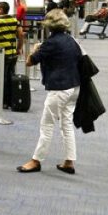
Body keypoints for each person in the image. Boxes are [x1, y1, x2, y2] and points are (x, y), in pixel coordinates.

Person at [18, 9, 81, 174]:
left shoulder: (51, 43)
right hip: (74, 86)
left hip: (59, 88)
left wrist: (35, 49)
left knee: (46, 124)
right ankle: (69, 161)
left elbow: (29, 62)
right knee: (66, 124)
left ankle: (36, 160)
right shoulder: (71, 40)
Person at [0, 1, 22, 109]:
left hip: (1, 55)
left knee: (0, 78)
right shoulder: (14, 20)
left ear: (1, 9)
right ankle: (11, 100)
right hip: (12, 53)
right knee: (10, 77)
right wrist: (19, 48)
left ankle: (3, 102)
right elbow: (20, 34)